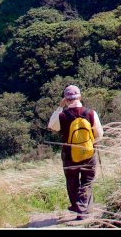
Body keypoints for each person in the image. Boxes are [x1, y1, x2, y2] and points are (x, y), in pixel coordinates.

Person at [47, 85, 103, 220]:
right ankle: (83, 208)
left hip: (69, 154)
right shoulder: (91, 113)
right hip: (89, 153)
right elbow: (99, 134)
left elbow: (51, 126)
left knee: (72, 181)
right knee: (87, 182)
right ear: (80, 97)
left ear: (65, 100)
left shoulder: (62, 115)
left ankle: (79, 208)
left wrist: (60, 107)